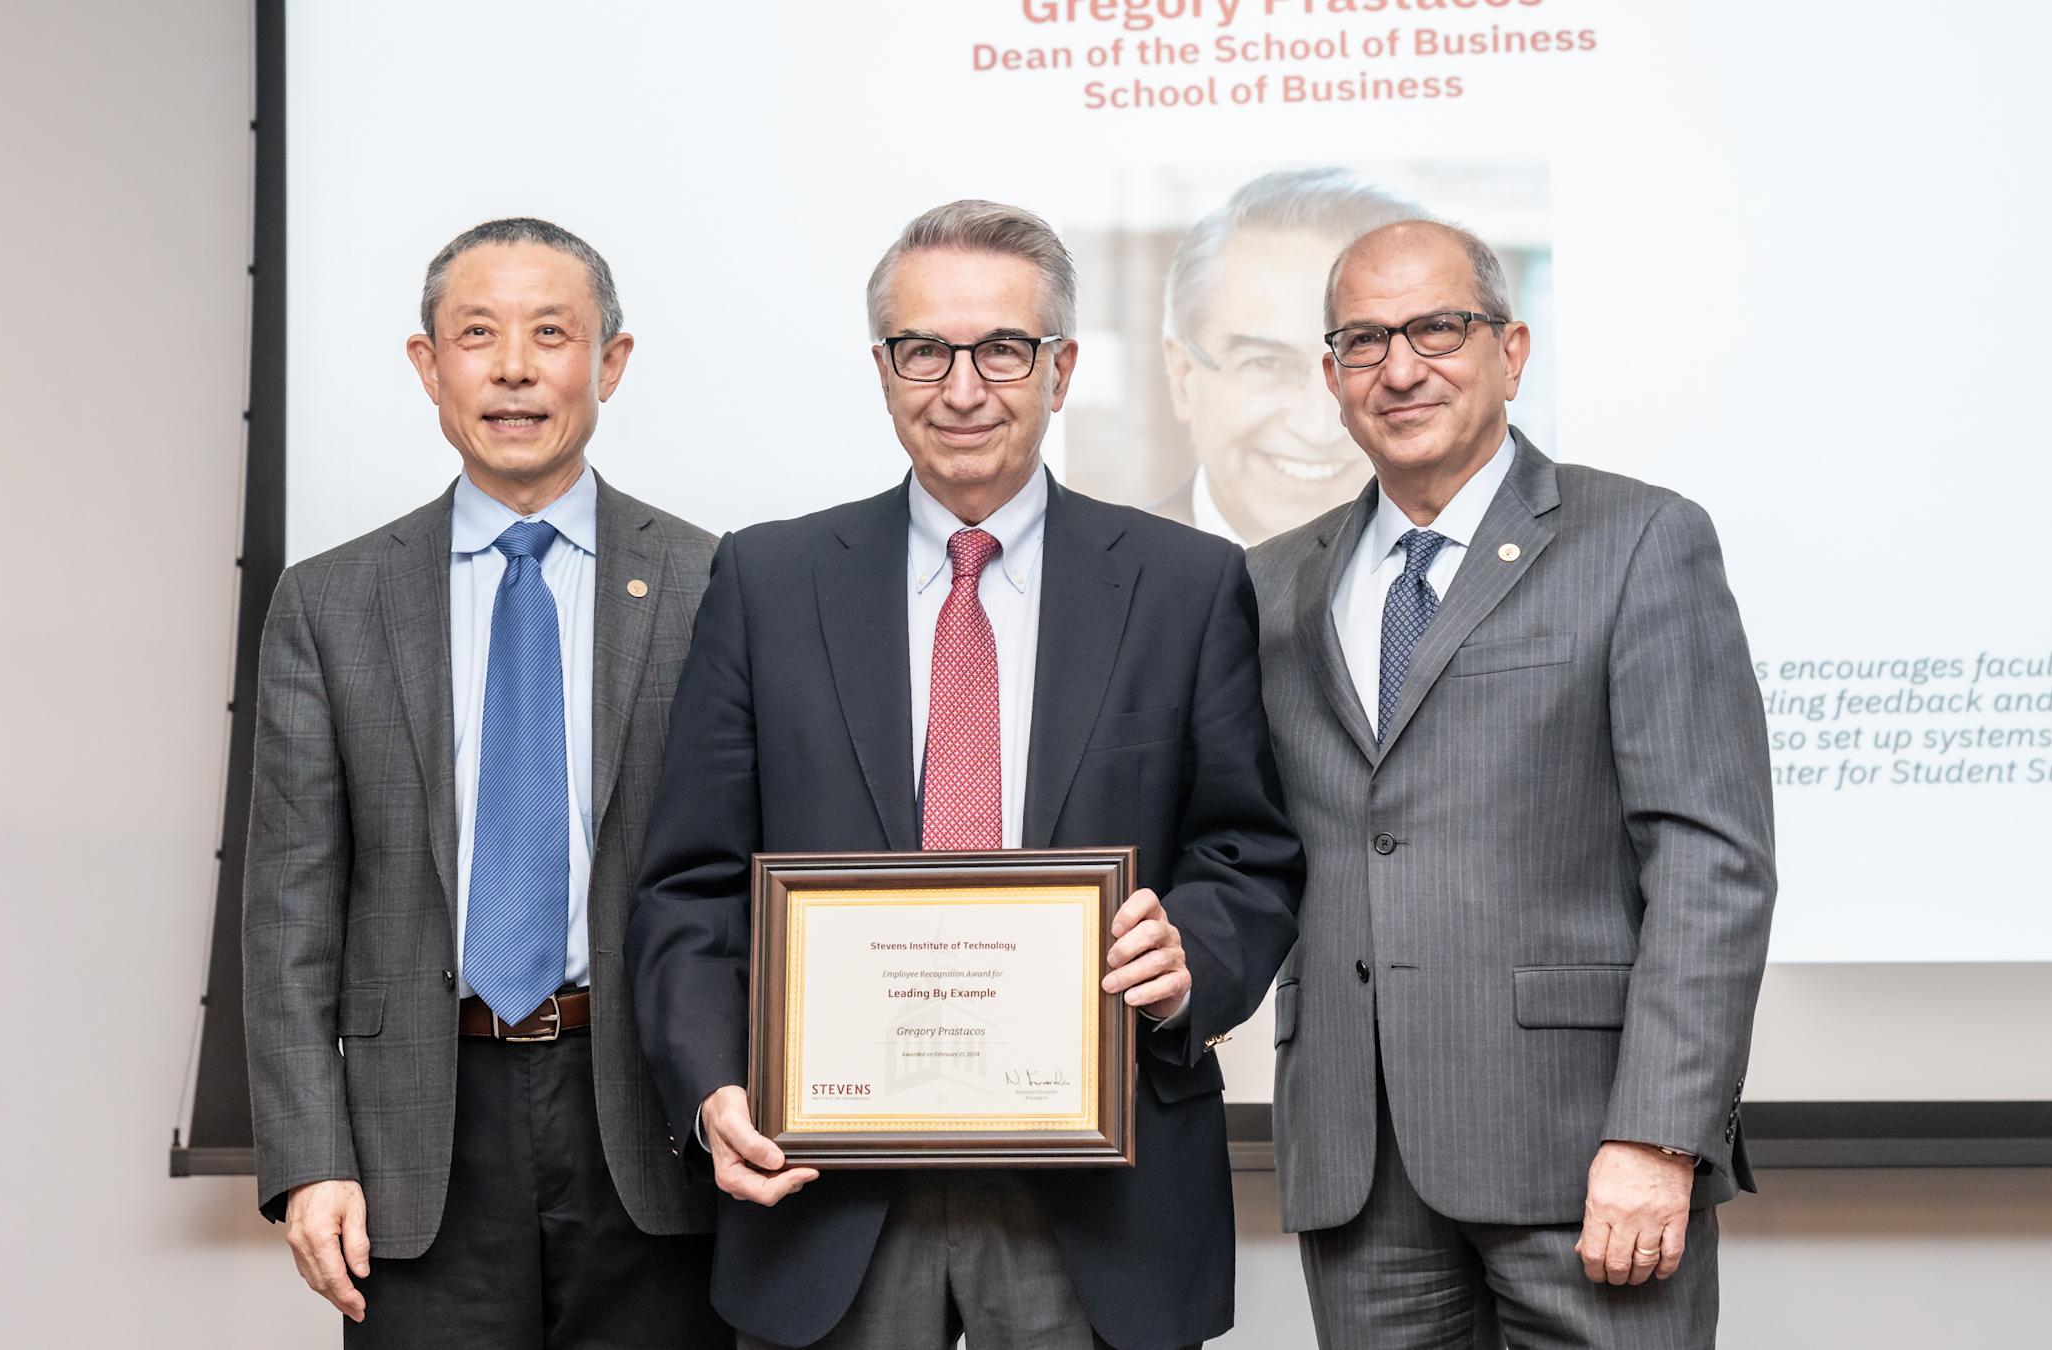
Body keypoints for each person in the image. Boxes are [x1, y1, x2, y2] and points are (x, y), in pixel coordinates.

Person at [628, 200, 1303, 1350]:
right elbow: (690, 885)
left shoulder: (1185, 583)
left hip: (1104, 1196)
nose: (962, 386)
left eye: (1003, 348)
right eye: (922, 349)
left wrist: (1192, 955)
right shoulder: (768, 581)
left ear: (1062, 367)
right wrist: (709, 1087)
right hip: (827, 1189)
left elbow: (1247, 853)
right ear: (882, 368)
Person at [1248, 218, 1776, 1348]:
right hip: (1358, 1166)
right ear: (1332, 375)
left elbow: (1711, 866)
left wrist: (1659, 1135)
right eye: (1363, 340)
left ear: (1513, 347)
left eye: (1437, 328)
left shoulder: (1638, 540)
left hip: (1585, 1157)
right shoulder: (1268, 585)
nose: (1401, 367)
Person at [242, 217, 728, 1347]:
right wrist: (311, 1158)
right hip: (416, 1137)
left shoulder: (714, 583)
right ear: (430, 366)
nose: (514, 368)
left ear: (609, 362)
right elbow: (291, 912)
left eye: (551, 333)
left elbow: (748, 876)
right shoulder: (330, 604)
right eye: (477, 334)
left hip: (652, 1127)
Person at [1156, 167, 1427, 546]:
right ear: (1182, 376)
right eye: (1266, 364)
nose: (1318, 430)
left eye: (1362, 352)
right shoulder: (1101, 585)